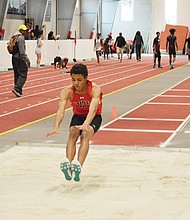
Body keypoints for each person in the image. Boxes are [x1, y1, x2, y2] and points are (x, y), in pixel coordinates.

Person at [45, 63, 103, 182]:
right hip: (78, 116)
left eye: (79, 80)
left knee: (85, 135)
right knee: (72, 132)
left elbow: (92, 110)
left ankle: (78, 166)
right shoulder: (67, 91)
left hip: (94, 117)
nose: (76, 83)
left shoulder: (95, 89)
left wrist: (86, 124)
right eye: (73, 80)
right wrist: (56, 127)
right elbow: (60, 111)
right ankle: (69, 164)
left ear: (86, 78)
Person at [12, 25, 30, 97]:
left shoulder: (14, 37)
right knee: (23, 74)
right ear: (21, 31)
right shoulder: (21, 38)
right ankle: (17, 88)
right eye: (24, 30)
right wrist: (27, 59)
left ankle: (18, 91)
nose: (26, 32)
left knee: (17, 74)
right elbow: (22, 51)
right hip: (20, 58)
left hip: (14, 58)